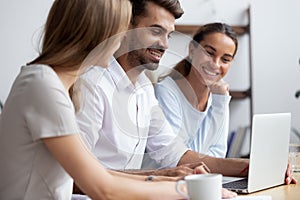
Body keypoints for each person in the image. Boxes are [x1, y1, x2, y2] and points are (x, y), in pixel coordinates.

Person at [75, 0, 296, 196]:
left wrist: (250, 166)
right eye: (155, 31)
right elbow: (74, 176)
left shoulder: (143, 88)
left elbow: (176, 154)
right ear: (125, 28)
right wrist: (162, 177)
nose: (165, 44)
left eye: (168, 35)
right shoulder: (92, 84)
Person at [0, 0, 189, 199]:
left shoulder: (57, 85)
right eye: (120, 30)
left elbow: (100, 174)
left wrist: (166, 179)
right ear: (100, 33)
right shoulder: (41, 84)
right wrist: (185, 189)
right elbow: (103, 188)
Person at [154, 23, 237, 158]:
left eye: (225, 59)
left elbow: (219, 153)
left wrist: (219, 101)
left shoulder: (217, 96)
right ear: (192, 51)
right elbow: (180, 157)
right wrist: (219, 103)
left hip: (203, 176)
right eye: (209, 53)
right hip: (166, 177)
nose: (215, 64)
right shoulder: (166, 91)